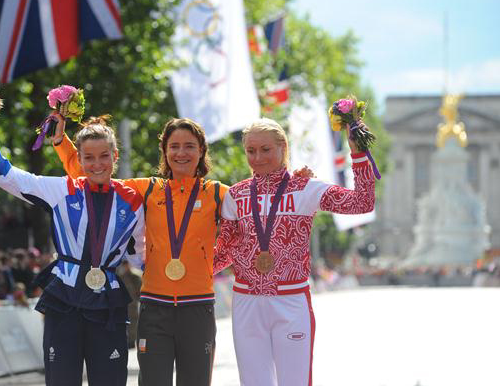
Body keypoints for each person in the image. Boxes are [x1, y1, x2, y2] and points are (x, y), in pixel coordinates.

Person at [0, 101, 145, 386]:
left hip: (107, 304)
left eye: (104, 156)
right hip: (64, 300)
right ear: (78, 160)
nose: (97, 164)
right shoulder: (61, 189)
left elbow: (143, 253)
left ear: (115, 156)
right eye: (89, 158)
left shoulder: (133, 201)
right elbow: (7, 175)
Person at [53, 116, 228, 386]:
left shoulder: (217, 193)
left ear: (201, 150)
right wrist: (60, 142)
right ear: (165, 151)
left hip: (198, 307)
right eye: (174, 146)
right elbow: (93, 172)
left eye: (189, 146)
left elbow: (255, 209)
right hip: (154, 306)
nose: (181, 153)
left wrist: (295, 179)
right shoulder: (146, 190)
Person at [213, 118, 375, 386]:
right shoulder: (236, 195)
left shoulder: (306, 188)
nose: (257, 157)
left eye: (265, 149)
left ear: (283, 147)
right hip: (246, 302)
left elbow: (362, 203)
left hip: (290, 300)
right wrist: (187, 272)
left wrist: (357, 154)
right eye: (251, 151)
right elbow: (226, 250)